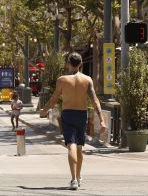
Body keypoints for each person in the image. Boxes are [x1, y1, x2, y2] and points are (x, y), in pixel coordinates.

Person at [40, 52, 106, 190]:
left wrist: (44, 110)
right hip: (82, 115)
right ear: (81, 64)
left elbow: (53, 99)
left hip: (68, 114)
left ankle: (74, 179)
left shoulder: (62, 80)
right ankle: (78, 176)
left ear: (68, 64)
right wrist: (102, 120)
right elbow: (95, 101)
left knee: (71, 146)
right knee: (80, 148)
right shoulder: (87, 80)